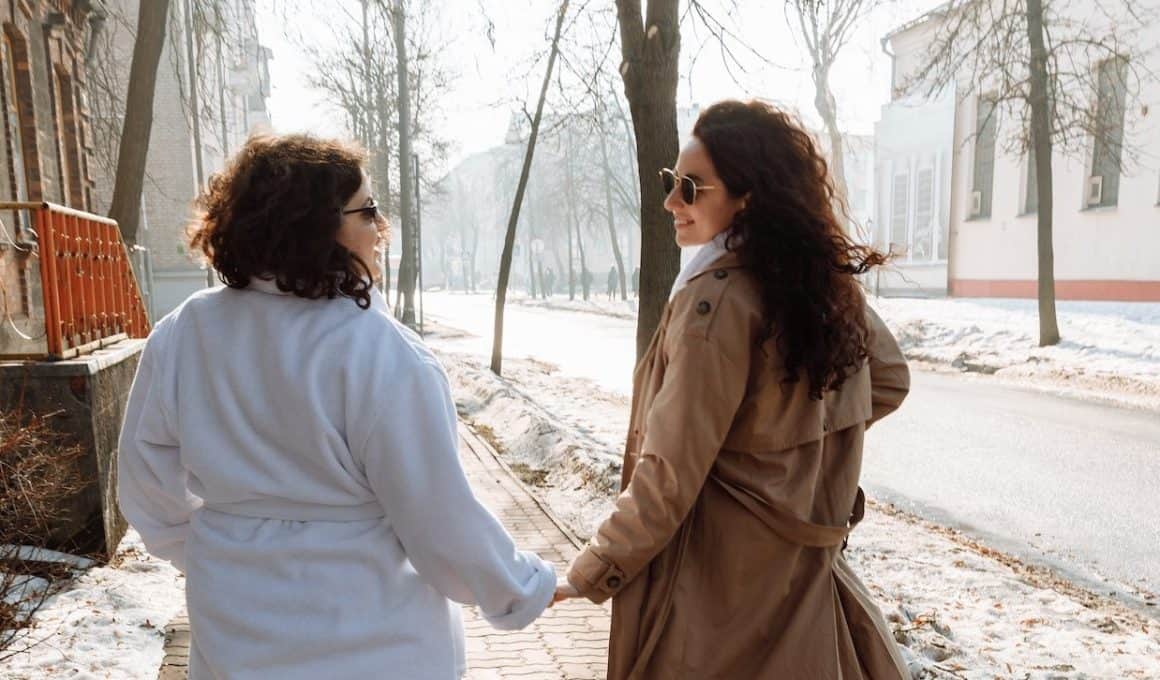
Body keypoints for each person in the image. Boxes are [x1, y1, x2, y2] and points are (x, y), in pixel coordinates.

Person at [117, 135, 556, 680]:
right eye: (367, 210)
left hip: (236, 637)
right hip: (376, 642)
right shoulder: (381, 353)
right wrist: (521, 587)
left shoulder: (185, 334)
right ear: (313, 223)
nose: (380, 228)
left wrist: (222, 546)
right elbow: (442, 524)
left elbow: (145, 486)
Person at [553, 100, 911, 679]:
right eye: (672, 182)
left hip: (719, 593)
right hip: (798, 577)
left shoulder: (711, 302)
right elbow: (889, 379)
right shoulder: (814, 282)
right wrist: (791, 451)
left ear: (747, 196)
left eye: (691, 188)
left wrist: (591, 572)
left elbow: (669, 477)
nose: (671, 201)